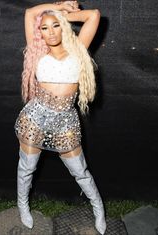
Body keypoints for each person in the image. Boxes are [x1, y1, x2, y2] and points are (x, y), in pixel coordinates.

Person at [14, 1, 107, 234]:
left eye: (56, 25)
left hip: (65, 120)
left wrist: (63, 13)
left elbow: (94, 16)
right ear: (39, 33)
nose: (51, 31)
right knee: (27, 168)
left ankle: (98, 208)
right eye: (44, 28)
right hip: (35, 117)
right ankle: (23, 206)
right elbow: (29, 13)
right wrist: (56, 5)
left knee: (80, 171)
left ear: (64, 26)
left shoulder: (78, 48)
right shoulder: (37, 52)